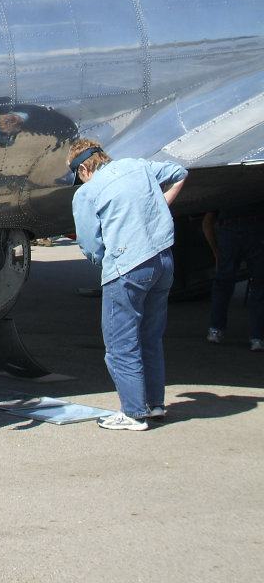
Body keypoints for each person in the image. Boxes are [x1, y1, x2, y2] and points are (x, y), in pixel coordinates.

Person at [68, 139, 187, 431]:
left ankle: (134, 413)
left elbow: (90, 242)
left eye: (78, 174)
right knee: (150, 337)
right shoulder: (138, 165)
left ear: (84, 167)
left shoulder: (88, 192)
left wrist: (101, 260)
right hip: (163, 260)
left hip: (127, 268)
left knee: (121, 344)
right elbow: (180, 172)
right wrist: (162, 206)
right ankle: (155, 404)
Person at [202, 205, 264, 350]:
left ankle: (216, 329)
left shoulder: (228, 191)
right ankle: (257, 337)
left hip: (230, 229)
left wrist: (215, 252)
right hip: (256, 228)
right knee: (259, 286)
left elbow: (207, 222)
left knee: (223, 283)